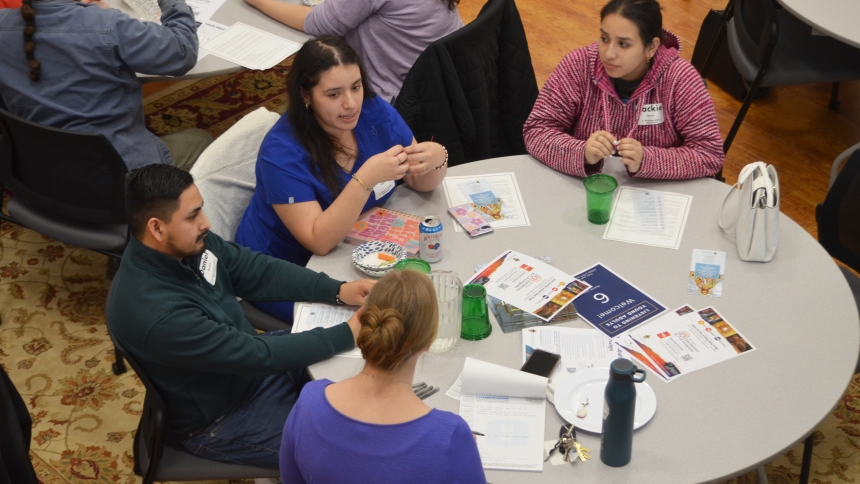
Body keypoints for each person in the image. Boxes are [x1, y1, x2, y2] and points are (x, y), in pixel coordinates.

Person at [106, 164, 376, 468]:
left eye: (201, 210)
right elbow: (256, 355)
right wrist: (346, 332)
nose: (205, 223)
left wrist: (339, 290)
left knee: (373, 373)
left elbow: (255, 271)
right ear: (156, 228)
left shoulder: (185, 248)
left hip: (249, 369)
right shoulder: (156, 313)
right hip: (226, 415)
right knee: (351, 456)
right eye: (192, 216)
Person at [235, 36, 447, 321]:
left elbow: (420, 182)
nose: (350, 104)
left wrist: (437, 157)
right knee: (390, 322)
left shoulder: (374, 111)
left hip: (355, 253)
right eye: (333, 94)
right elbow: (318, 240)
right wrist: (364, 180)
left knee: (430, 298)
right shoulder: (281, 152)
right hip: (288, 269)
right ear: (306, 95)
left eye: (356, 87)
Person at [280, 269, 487, 483]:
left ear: (361, 319)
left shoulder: (309, 400)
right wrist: (460, 449)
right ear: (429, 339)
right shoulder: (449, 436)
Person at [522, 0, 724, 180]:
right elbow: (536, 130)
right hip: (586, 189)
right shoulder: (579, 65)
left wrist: (648, 160)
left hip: (654, 198)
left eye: (624, 44)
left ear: (651, 47)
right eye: (604, 39)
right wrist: (582, 152)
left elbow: (710, 154)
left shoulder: (681, 80)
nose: (609, 54)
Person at [0, 0, 212, 171]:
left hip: (40, 172)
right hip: (123, 178)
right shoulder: (105, 24)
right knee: (201, 141)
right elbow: (182, 52)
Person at [243, 0, 462, 102]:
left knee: (306, 85)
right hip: (442, 81)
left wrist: (258, 1)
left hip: (395, 97)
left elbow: (317, 24)